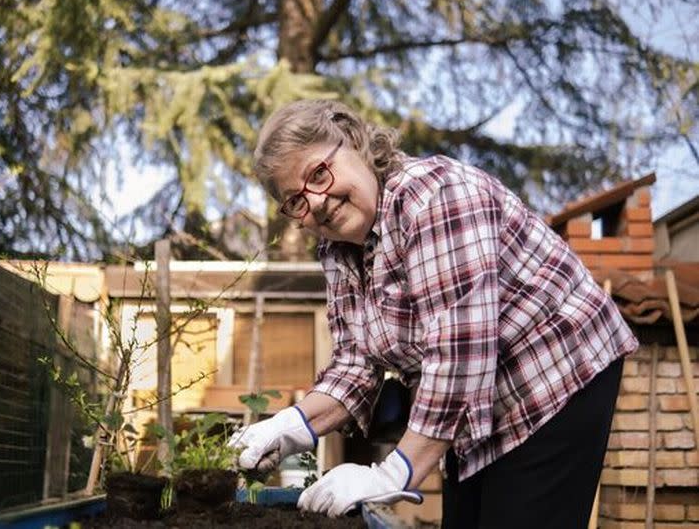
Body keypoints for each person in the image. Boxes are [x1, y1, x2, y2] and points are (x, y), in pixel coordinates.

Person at [228, 99, 637, 528]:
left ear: (353, 141)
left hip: (553, 375)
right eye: (296, 200)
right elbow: (355, 362)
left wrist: (392, 473)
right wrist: (289, 426)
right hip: (479, 399)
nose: (318, 201)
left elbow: (459, 354)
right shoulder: (338, 251)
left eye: (318, 173)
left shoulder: (435, 196)